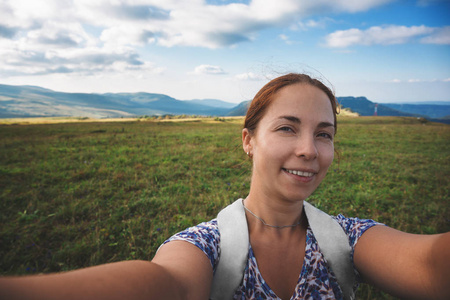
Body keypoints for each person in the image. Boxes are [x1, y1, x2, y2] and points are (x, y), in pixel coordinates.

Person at [0, 73, 449, 300]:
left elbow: (431, 267)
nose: (310, 149)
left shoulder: (346, 239)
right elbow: (167, 285)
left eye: (324, 133)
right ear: (249, 141)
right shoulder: (206, 245)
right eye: (288, 128)